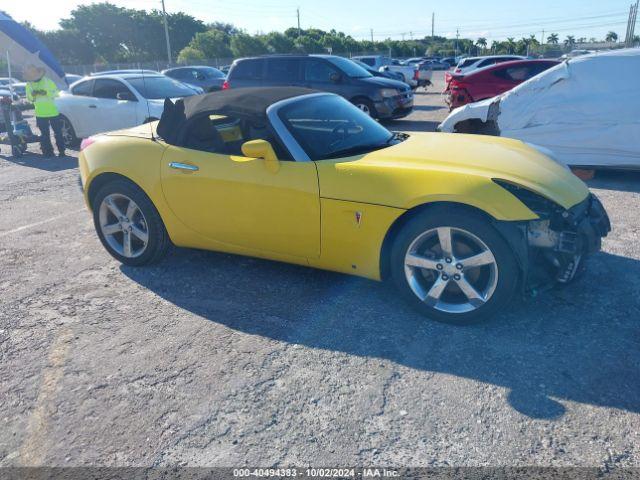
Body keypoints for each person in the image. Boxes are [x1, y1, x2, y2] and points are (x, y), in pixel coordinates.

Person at [24, 65, 65, 157]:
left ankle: (62, 151)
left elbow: (56, 93)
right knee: (44, 134)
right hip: (40, 113)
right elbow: (29, 98)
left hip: (53, 112)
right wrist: (33, 95)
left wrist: (46, 93)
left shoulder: (48, 81)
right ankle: (48, 152)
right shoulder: (29, 84)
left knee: (58, 133)